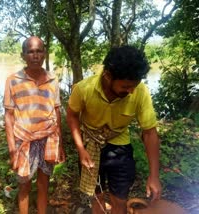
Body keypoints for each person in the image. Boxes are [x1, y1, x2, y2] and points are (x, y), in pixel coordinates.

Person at [66, 45, 162, 214]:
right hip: (90, 146)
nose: (131, 91)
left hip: (120, 149)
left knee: (120, 199)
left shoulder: (140, 92)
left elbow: (149, 132)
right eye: (125, 87)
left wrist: (154, 176)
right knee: (97, 196)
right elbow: (72, 116)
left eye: (134, 85)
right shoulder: (83, 89)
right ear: (108, 76)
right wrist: (81, 149)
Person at [4, 36, 66, 214]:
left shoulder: (52, 80)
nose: (35, 55)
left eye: (39, 51)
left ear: (45, 54)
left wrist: (60, 144)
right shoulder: (13, 80)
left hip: (48, 139)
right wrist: (11, 148)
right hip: (23, 140)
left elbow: (56, 112)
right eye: (30, 51)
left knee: (43, 184)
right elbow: (8, 116)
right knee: (24, 186)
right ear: (23, 55)